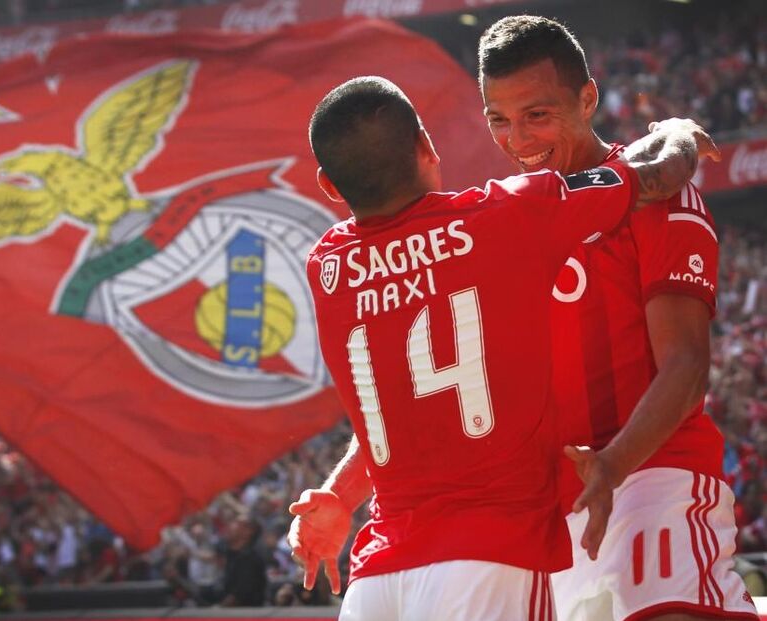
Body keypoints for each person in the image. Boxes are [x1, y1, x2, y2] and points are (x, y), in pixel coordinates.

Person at [297, 75, 711, 620]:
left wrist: (339, 495)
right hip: (489, 557)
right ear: (426, 145)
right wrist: (679, 131)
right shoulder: (506, 217)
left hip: (376, 574)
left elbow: (411, 396)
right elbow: (654, 175)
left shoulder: (326, 266)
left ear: (329, 185)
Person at [477, 17, 757, 621]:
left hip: (652, 479)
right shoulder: (511, 216)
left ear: (587, 98)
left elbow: (685, 370)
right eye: (499, 118)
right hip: (556, 512)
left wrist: (611, 465)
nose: (518, 138)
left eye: (538, 114)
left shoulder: (659, 198)